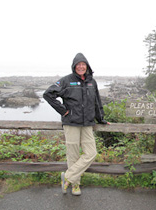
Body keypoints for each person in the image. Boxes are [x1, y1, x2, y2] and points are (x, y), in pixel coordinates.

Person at [43, 52, 109, 196]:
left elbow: (97, 102)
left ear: (87, 66)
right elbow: (48, 94)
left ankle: (67, 176)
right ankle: (75, 185)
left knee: (91, 153)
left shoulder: (92, 82)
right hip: (71, 123)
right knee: (72, 155)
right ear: (74, 66)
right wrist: (63, 111)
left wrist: (101, 119)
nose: (81, 67)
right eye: (78, 65)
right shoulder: (66, 81)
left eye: (83, 64)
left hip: (87, 124)